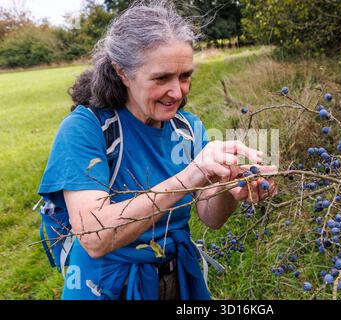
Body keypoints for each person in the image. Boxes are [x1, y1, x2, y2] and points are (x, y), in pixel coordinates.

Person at [38, 0, 277, 300]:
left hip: (176, 278)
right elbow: (94, 238)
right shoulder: (85, 129)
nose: (177, 92)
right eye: (161, 78)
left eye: (185, 76)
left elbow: (210, 217)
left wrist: (230, 190)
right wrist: (191, 176)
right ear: (122, 72)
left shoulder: (188, 129)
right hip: (106, 286)